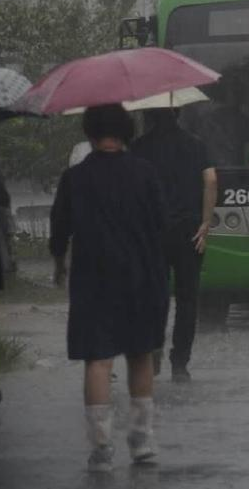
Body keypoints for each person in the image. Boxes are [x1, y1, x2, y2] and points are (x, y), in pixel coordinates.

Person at [48, 104, 167, 472]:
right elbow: (161, 225)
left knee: (98, 360)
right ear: (126, 131)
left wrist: (58, 264)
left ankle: (101, 451)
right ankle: (143, 441)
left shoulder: (75, 178)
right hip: (140, 276)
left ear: (90, 134)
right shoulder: (145, 173)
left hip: (92, 279)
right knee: (140, 353)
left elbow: (59, 229)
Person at [132, 108, 217, 383]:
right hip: (189, 231)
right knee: (187, 299)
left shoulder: (139, 148)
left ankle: (153, 351)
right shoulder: (196, 144)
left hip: (152, 233)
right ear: (179, 112)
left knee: (153, 296)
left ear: (150, 115)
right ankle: (180, 363)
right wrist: (205, 223)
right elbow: (211, 180)